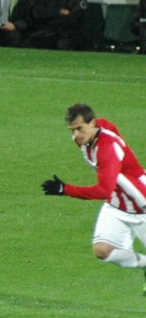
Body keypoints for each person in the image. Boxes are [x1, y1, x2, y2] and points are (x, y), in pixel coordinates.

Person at [41, 104, 146, 294]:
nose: (76, 135)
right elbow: (108, 125)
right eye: (72, 130)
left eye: (80, 128)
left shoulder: (107, 149)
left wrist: (66, 189)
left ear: (92, 123)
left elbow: (103, 190)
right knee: (102, 250)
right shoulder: (88, 136)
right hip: (116, 204)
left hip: (141, 206)